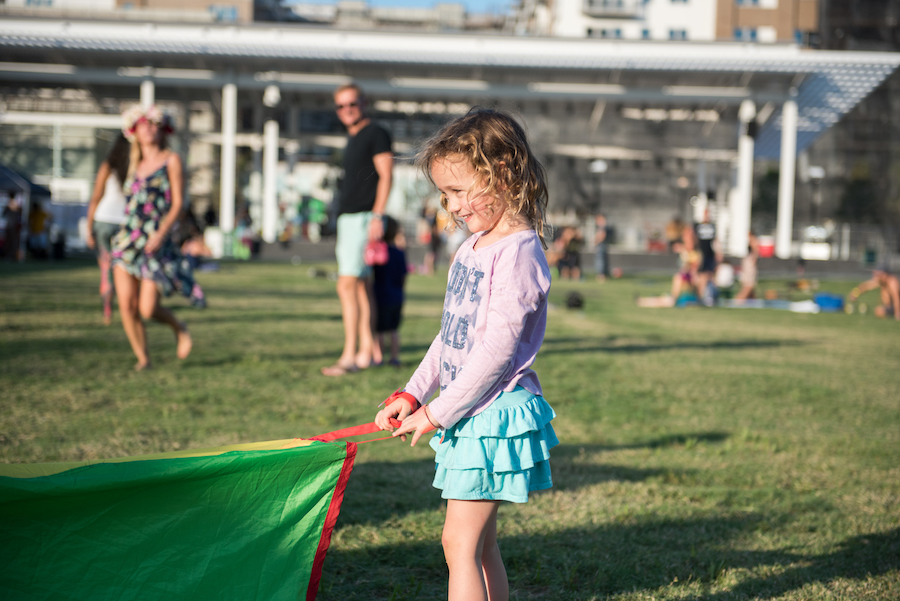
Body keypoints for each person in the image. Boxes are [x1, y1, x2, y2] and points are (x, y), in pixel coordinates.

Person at [374, 109, 558, 601]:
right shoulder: (473, 246)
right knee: (478, 547)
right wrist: (413, 395)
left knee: (459, 543)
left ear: (502, 173)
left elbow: (497, 352)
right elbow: (449, 336)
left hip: (492, 416)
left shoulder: (518, 252)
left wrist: (438, 411)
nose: (451, 205)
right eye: (446, 193)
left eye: (458, 191)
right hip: (468, 413)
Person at [110, 104, 204, 371]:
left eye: (154, 124)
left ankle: (179, 327)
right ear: (135, 131)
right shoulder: (133, 162)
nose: (149, 129)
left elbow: (178, 204)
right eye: (143, 124)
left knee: (147, 308)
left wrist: (162, 233)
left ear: (163, 131)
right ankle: (143, 358)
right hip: (127, 239)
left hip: (156, 240)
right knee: (126, 305)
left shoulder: (171, 160)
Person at [322, 83, 393, 376]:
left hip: (362, 218)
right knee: (362, 287)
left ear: (363, 103)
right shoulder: (352, 137)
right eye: (340, 106)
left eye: (351, 103)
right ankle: (368, 351)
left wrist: (377, 216)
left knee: (346, 284)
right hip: (348, 218)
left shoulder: (375, 133)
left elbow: (387, 176)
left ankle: (349, 355)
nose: (346, 110)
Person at [86, 133, 131, 325]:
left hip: (103, 220)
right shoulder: (136, 168)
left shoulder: (107, 166)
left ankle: (107, 307)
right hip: (124, 223)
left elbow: (96, 198)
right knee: (122, 267)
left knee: (105, 266)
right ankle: (125, 304)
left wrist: (89, 228)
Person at [372, 216, 407, 367]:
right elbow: (403, 275)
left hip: (380, 296)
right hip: (397, 296)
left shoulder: (378, 252)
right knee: (393, 329)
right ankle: (394, 357)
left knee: (379, 329)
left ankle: (378, 358)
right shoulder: (399, 253)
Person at [694, 208, 719, 305]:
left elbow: (716, 241)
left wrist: (718, 253)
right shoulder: (698, 226)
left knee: (710, 276)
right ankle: (700, 297)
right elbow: (695, 240)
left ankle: (711, 297)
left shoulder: (712, 226)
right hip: (701, 254)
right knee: (701, 276)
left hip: (710, 254)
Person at [734, 231, 759, 302]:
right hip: (748, 262)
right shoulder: (751, 242)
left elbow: (755, 252)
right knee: (748, 284)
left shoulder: (753, 241)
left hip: (749, 263)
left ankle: (752, 301)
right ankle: (739, 300)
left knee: (749, 285)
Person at [594, 213, 610, 282]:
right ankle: (604, 274)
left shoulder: (602, 228)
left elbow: (602, 237)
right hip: (601, 246)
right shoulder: (600, 228)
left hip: (601, 246)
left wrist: (596, 241)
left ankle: (602, 275)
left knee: (600, 260)